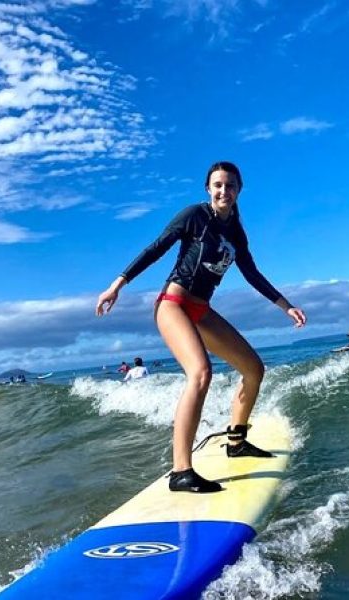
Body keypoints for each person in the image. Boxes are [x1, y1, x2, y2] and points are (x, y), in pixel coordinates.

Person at [96, 161, 307, 494]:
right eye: (218, 185)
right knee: (200, 372)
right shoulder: (194, 215)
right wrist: (117, 284)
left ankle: (236, 442)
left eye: (231, 186)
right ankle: (181, 471)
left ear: (239, 191)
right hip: (173, 304)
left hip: (202, 309)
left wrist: (286, 305)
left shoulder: (236, 232)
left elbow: (251, 273)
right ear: (209, 189)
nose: (224, 191)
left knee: (253, 369)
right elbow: (157, 248)